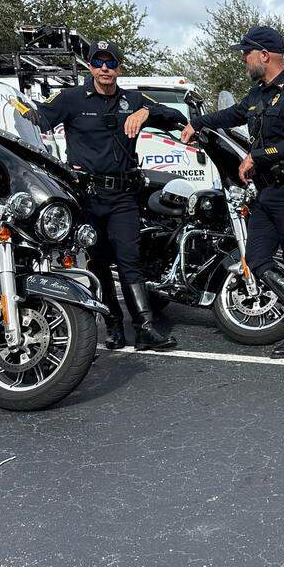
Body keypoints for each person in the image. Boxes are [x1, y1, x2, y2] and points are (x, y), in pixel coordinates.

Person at [19, 39, 182, 351]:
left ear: (119, 67)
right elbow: (37, 118)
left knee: (129, 259)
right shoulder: (71, 98)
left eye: (111, 63)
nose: (104, 69)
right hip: (89, 196)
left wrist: (146, 111)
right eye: (98, 63)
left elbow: (174, 116)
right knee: (98, 262)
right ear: (90, 66)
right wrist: (16, 105)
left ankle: (145, 327)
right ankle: (113, 326)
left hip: (123, 196)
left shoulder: (132, 99)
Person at [181, 26, 284, 359]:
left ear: (265, 55)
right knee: (257, 259)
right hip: (267, 192)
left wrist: (257, 156)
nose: (244, 59)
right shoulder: (258, 94)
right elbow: (232, 114)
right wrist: (198, 123)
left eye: (247, 53)